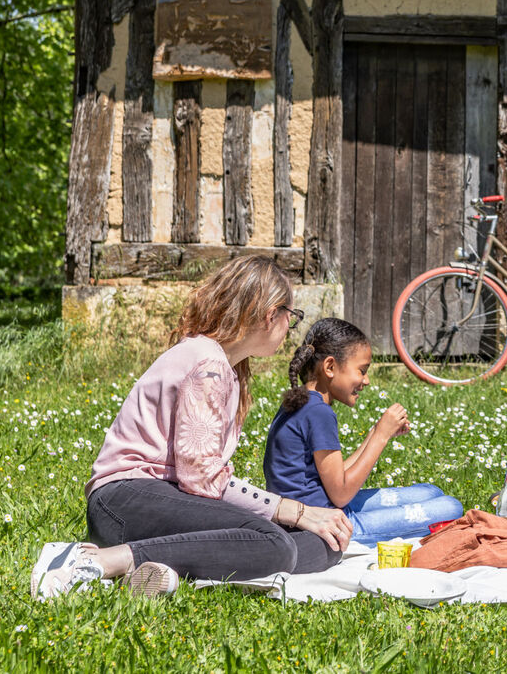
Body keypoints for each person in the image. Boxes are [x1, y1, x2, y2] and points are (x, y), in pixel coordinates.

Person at [32, 256, 353, 599]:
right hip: (126, 500)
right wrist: (295, 510)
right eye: (292, 315)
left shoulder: (224, 365)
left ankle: (154, 571)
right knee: (277, 543)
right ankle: (93, 559)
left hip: (166, 503)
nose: (291, 325)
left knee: (322, 543)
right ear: (269, 314)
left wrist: (303, 519)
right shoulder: (208, 365)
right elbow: (202, 479)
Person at [264, 317, 462, 545]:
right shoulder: (319, 413)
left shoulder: (304, 401)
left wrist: (374, 432)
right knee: (451, 507)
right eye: (362, 371)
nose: (366, 381)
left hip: (314, 510)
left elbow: (332, 476)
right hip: (322, 527)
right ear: (329, 367)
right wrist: (381, 436)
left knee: (430, 492)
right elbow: (340, 494)